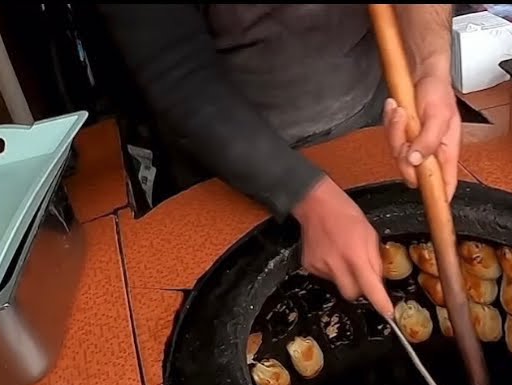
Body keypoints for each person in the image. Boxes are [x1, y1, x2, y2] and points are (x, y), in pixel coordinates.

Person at [99, 4, 463, 320]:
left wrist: (431, 67)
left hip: (374, 120)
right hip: (231, 159)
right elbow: (175, 68)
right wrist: (304, 195)